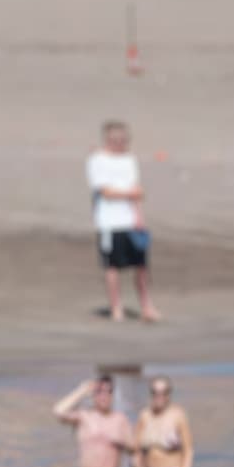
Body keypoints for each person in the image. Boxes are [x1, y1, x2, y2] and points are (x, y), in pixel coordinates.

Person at [87, 120, 157, 322]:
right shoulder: (97, 160)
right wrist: (129, 193)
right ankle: (116, 307)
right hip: (109, 222)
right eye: (115, 139)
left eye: (123, 139)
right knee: (112, 267)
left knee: (142, 267)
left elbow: (138, 192)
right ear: (107, 140)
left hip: (131, 222)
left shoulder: (129, 160)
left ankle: (146, 306)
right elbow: (106, 192)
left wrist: (139, 218)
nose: (119, 143)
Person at [52, 376, 134, 467]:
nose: (104, 396)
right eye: (99, 391)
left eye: (108, 391)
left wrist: (121, 443)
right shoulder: (84, 417)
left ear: (112, 395)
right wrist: (82, 390)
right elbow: (58, 411)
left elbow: (134, 450)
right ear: (93, 394)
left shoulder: (120, 420)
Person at [136, 376, 194, 467]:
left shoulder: (178, 416)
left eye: (164, 392)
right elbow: (137, 449)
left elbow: (188, 450)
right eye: (155, 392)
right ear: (151, 394)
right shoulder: (144, 416)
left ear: (169, 394)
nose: (159, 396)